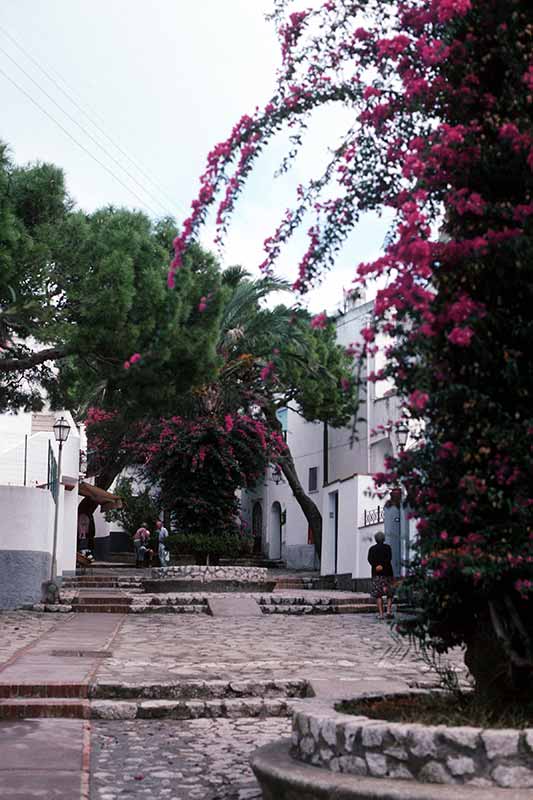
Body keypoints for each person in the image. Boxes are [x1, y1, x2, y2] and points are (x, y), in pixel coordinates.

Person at [367, 531, 394, 620]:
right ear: (384, 539)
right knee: (389, 593)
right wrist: (383, 565)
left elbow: (370, 559)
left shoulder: (372, 549)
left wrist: (377, 565)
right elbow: (389, 558)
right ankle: (389, 611)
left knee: (378, 594)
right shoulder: (388, 548)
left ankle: (381, 614)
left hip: (377, 574)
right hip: (388, 573)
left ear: (375, 539)